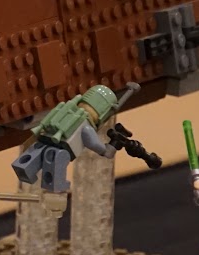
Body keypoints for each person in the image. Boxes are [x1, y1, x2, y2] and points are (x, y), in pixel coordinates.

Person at [12, 85, 119, 214]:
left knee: (38, 152)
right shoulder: (85, 125)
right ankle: (54, 196)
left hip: (45, 139)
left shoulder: (65, 111)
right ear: (102, 113)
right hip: (62, 150)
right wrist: (105, 150)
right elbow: (93, 142)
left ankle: (24, 168)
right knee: (56, 168)